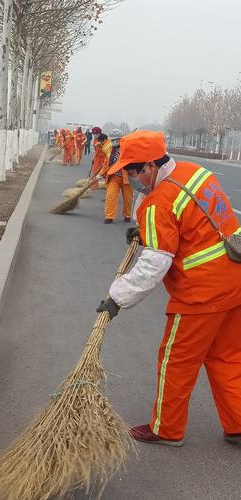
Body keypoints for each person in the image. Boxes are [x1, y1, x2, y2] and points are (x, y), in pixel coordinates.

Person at [97, 130, 241, 447]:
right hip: (234, 281)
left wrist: (117, 297)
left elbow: (154, 265)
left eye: (132, 171)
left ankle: (167, 429)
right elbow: (193, 225)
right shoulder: (196, 173)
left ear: (150, 166)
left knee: (176, 361)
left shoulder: (158, 203)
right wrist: (148, 232)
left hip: (201, 295)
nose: (130, 178)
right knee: (227, 357)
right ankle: (238, 423)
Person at [103, 136, 134, 224]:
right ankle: (109, 216)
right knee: (110, 196)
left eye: (115, 140)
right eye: (112, 140)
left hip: (127, 177)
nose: (113, 141)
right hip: (113, 177)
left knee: (128, 198)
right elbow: (106, 162)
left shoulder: (128, 148)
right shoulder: (110, 149)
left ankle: (127, 215)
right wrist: (102, 174)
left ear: (120, 139)